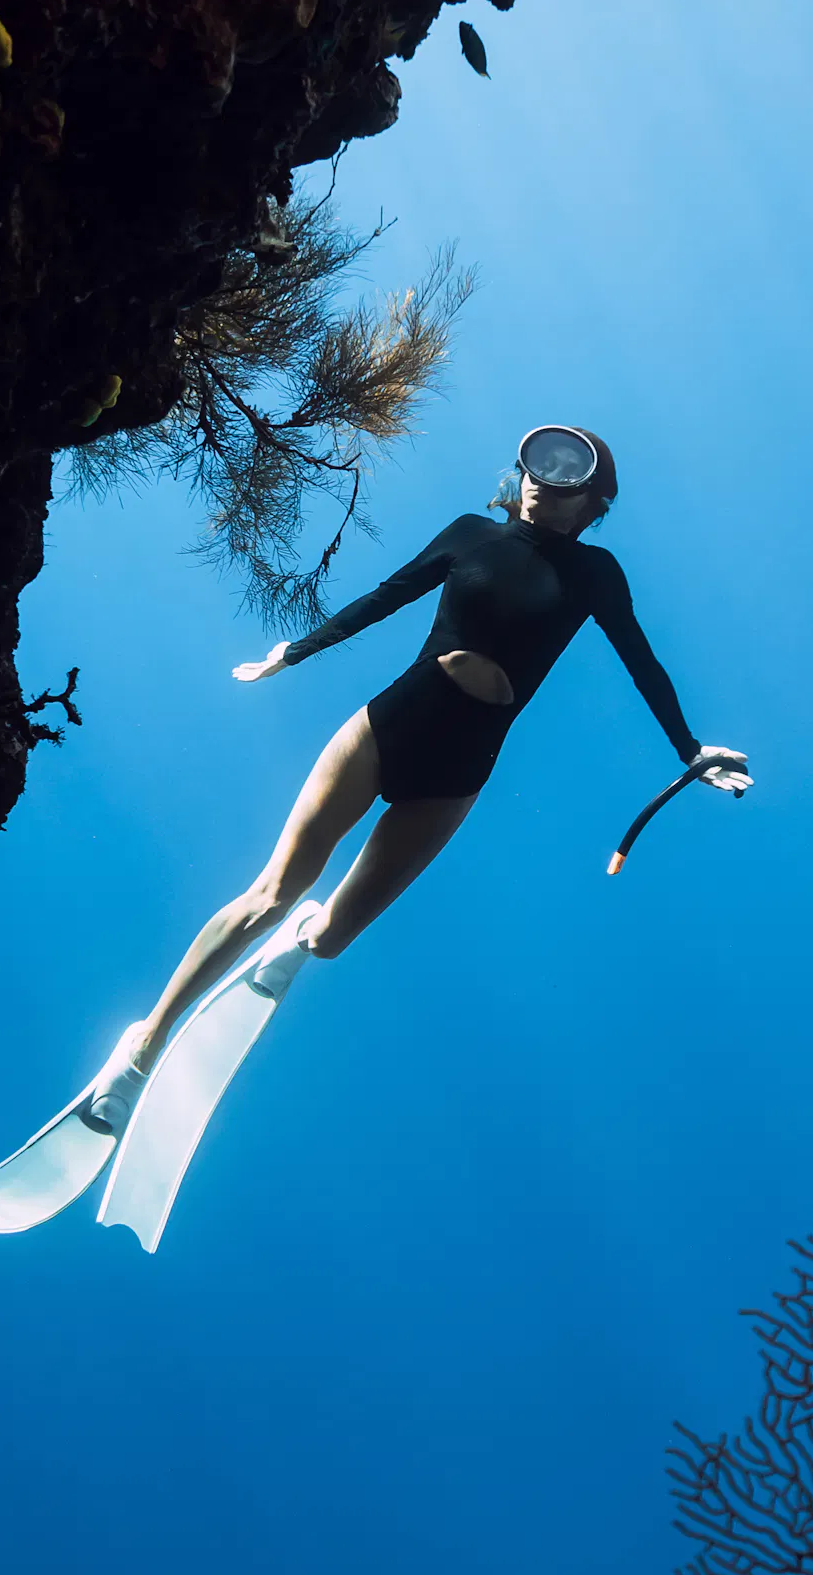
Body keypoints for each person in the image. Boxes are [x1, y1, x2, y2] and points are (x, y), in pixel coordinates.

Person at [74, 424, 749, 1130]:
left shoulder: (596, 574)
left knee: (330, 939)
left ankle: (309, 934)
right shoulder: (470, 534)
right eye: (533, 462)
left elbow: (640, 660)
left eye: (563, 470)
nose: (539, 478)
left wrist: (689, 750)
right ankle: (142, 1047)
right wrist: (295, 653)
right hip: (385, 729)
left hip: (457, 772)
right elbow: (386, 596)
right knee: (273, 893)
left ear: (592, 498)